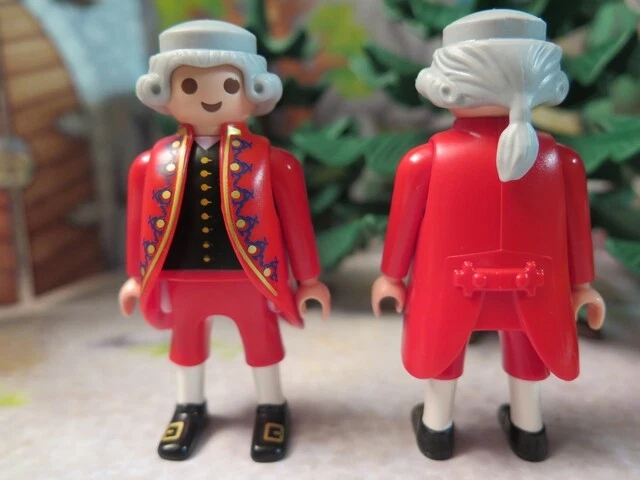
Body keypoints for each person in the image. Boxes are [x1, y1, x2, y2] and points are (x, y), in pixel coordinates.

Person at [371, 10, 605, 462]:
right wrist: (582, 285)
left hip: (451, 286)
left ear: (448, 85)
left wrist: (391, 276)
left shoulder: (426, 160)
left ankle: (437, 428)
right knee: (527, 350)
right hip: (535, 286)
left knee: (445, 353)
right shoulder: (563, 162)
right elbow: (577, 232)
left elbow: (403, 227)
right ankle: (529, 430)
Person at [118, 19, 330, 462]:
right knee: (186, 344)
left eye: (230, 84)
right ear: (164, 93)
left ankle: (271, 406)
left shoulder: (272, 163)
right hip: (183, 276)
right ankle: (188, 406)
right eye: (189, 84)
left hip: (249, 275)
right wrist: (136, 277)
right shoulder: (150, 164)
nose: (209, 96)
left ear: (253, 92)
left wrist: (309, 279)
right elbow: (138, 223)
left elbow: (296, 225)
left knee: (261, 341)